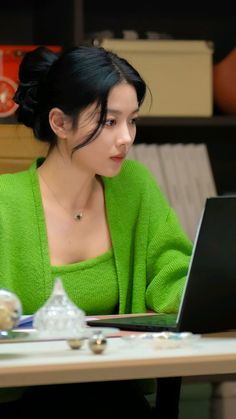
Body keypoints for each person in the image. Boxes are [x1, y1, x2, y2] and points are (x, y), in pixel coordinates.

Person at [0, 45, 192, 417]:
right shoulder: (5, 203)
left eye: (132, 120)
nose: (126, 138)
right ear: (60, 123)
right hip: (23, 401)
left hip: (115, 397)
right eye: (109, 122)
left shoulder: (134, 186)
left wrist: (211, 288)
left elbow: (171, 271)